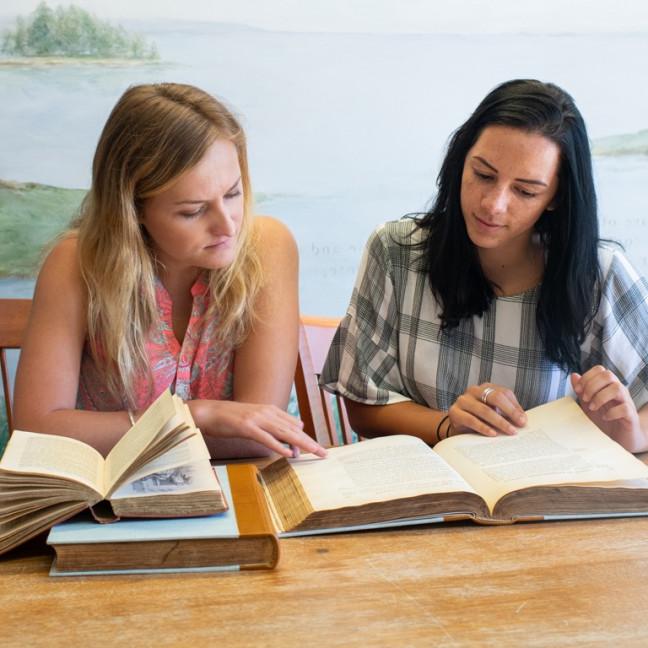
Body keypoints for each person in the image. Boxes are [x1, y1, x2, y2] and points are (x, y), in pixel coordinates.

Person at [321, 79, 648, 453]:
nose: (493, 204)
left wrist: (631, 433)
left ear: (556, 197)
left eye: (525, 191)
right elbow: (363, 407)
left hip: (548, 501)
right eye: (483, 174)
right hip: (427, 494)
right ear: (461, 160)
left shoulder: (599, 274)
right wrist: (448, 426)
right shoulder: (396, 251)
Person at [14, 82, 326, 460]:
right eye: (193, 210)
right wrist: (196, 415)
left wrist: (133, 433)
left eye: (232, 193)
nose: (228, 226)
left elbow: (260, 433)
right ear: (133, 210)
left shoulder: (267, 247)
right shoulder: (76, 264)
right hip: (112, 508)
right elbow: (37, 431)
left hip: (243, 493)